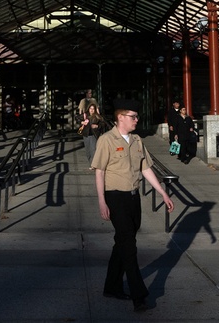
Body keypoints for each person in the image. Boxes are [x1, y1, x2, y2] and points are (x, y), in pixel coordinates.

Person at [91, 98, 174, 313]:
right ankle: (140, 295)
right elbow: (99, 171)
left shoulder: (137, 140)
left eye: (137, 116)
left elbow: (146, 169)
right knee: (129, 246)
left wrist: (163, 193)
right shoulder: (107, 140)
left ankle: (112, 286)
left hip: (133, 197)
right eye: (133, 116)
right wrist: (101, 200)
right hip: (115, 197)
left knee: (124, 241)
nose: (137, 119)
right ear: (121, 118)